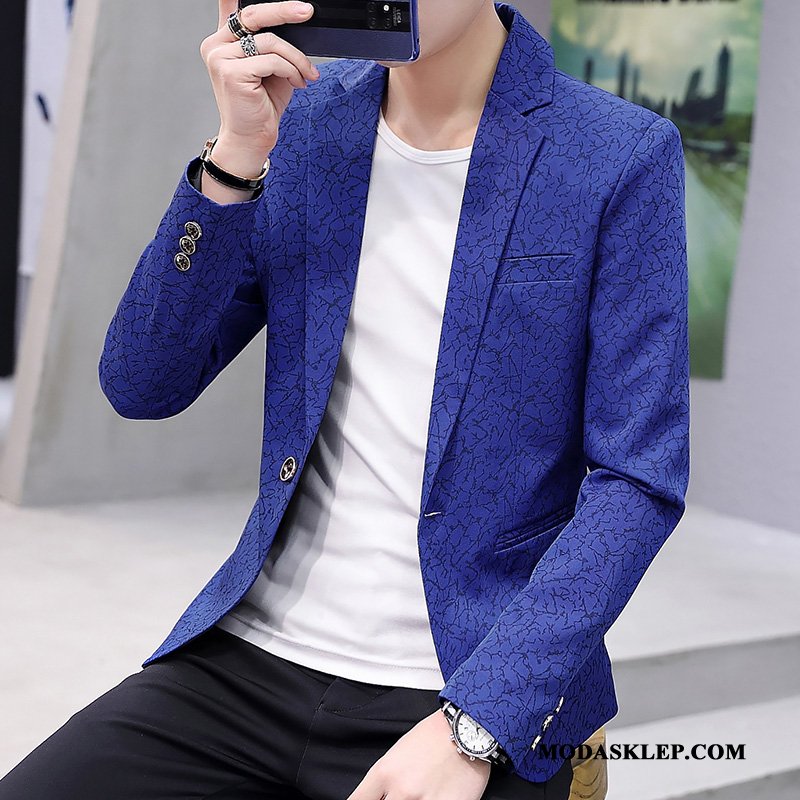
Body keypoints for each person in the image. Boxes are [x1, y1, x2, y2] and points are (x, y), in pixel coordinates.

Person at [0, 1, 689, 798]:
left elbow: (637, 478)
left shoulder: (617, 153)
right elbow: (142, 382)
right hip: (248, 660)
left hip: (468, 678)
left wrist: (476, 723)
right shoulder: (306, 119)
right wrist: (236, 157)